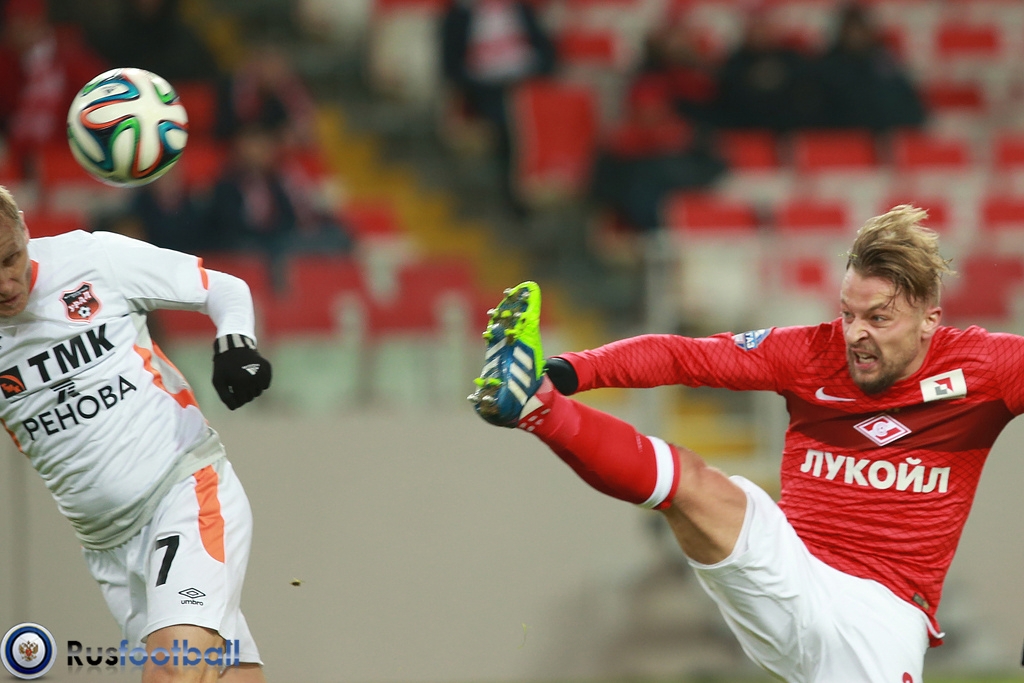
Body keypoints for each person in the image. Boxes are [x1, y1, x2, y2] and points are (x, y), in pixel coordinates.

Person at [468, 204, 1016, 681]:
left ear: (929, 319)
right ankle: (537, 404)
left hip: (882, 613)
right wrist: (565, 371)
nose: (855, 334)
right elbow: (682, 356)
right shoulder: (810, 352)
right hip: (789, 567)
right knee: (693, 487)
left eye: (878, 318)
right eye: (847, 313)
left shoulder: (987, 368)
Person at [0, 185, 271, 682]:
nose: (5, 282)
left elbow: (223, 288)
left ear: (24, 232)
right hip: (106, 546)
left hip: (183, 495)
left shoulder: (92, 260)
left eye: (10, 258)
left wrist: (235, 344)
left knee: (171, 671)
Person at [815, 2, 926, 132]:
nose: (856, 35)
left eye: (860, 28)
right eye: (851, 29)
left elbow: (910, 107)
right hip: (841, 138)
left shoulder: (884, 62)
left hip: (881, 135)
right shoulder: (827, 67)